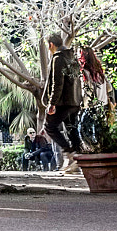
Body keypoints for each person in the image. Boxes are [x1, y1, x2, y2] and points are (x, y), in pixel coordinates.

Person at [43, 33, 83, 170]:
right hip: (75, 101)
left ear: (51, 45)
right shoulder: (72, 57)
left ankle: (69, 153)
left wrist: (52, 103)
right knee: (71, 129)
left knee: (49, 126)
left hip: (63, 102)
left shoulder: (58, 58)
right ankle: (78, 158)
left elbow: (57, 83)